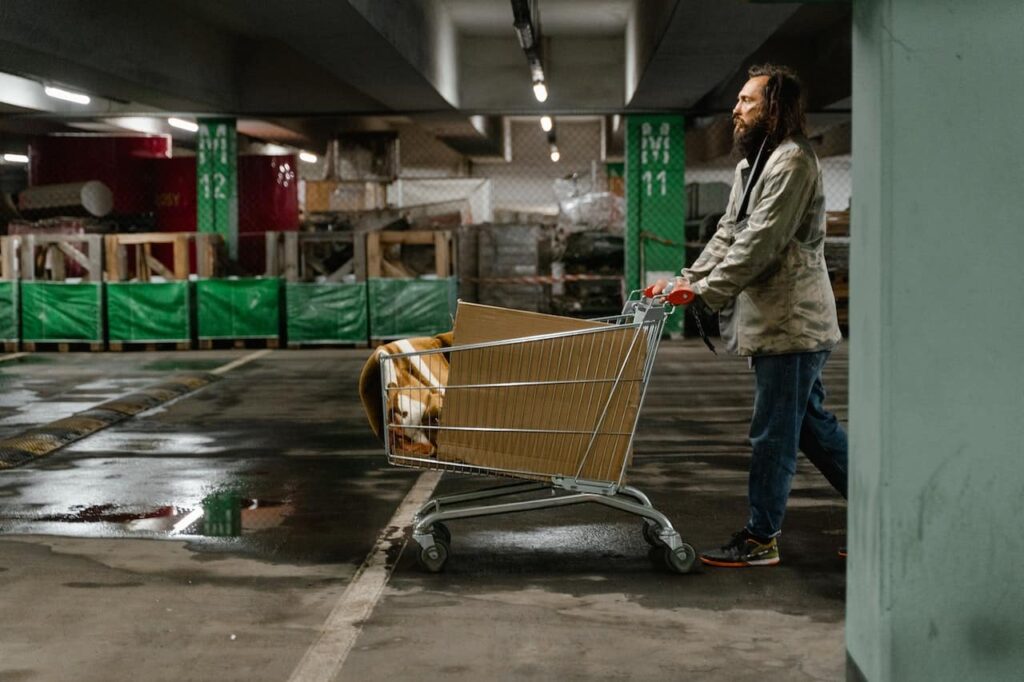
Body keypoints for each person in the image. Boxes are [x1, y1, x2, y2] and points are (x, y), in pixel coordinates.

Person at [676, 64, 848, 567]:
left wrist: (707, 295)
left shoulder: (794, 162)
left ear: (774, 108)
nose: (736, 109)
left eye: (747, 101)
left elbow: (761, 244)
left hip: (793, 324)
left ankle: (760, 538)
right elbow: (729, 232)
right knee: (813, 430)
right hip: (775, 324)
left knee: (774, 434)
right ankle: (885, 515)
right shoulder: (752, 166)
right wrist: (691, 280)